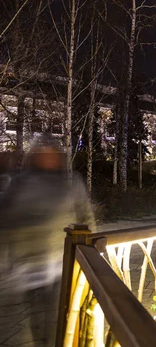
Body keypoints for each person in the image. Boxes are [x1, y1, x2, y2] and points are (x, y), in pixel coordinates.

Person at [0, 135, 95, 346]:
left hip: (61, 263)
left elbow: (86, 217)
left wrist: (91, 253)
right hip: (29, 266)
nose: (47, 157)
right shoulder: (20, 183)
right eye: (41, 152)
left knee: (59, 316)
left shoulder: (70, 183)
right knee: (37, 316)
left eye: (51, 152)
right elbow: (5, 216)